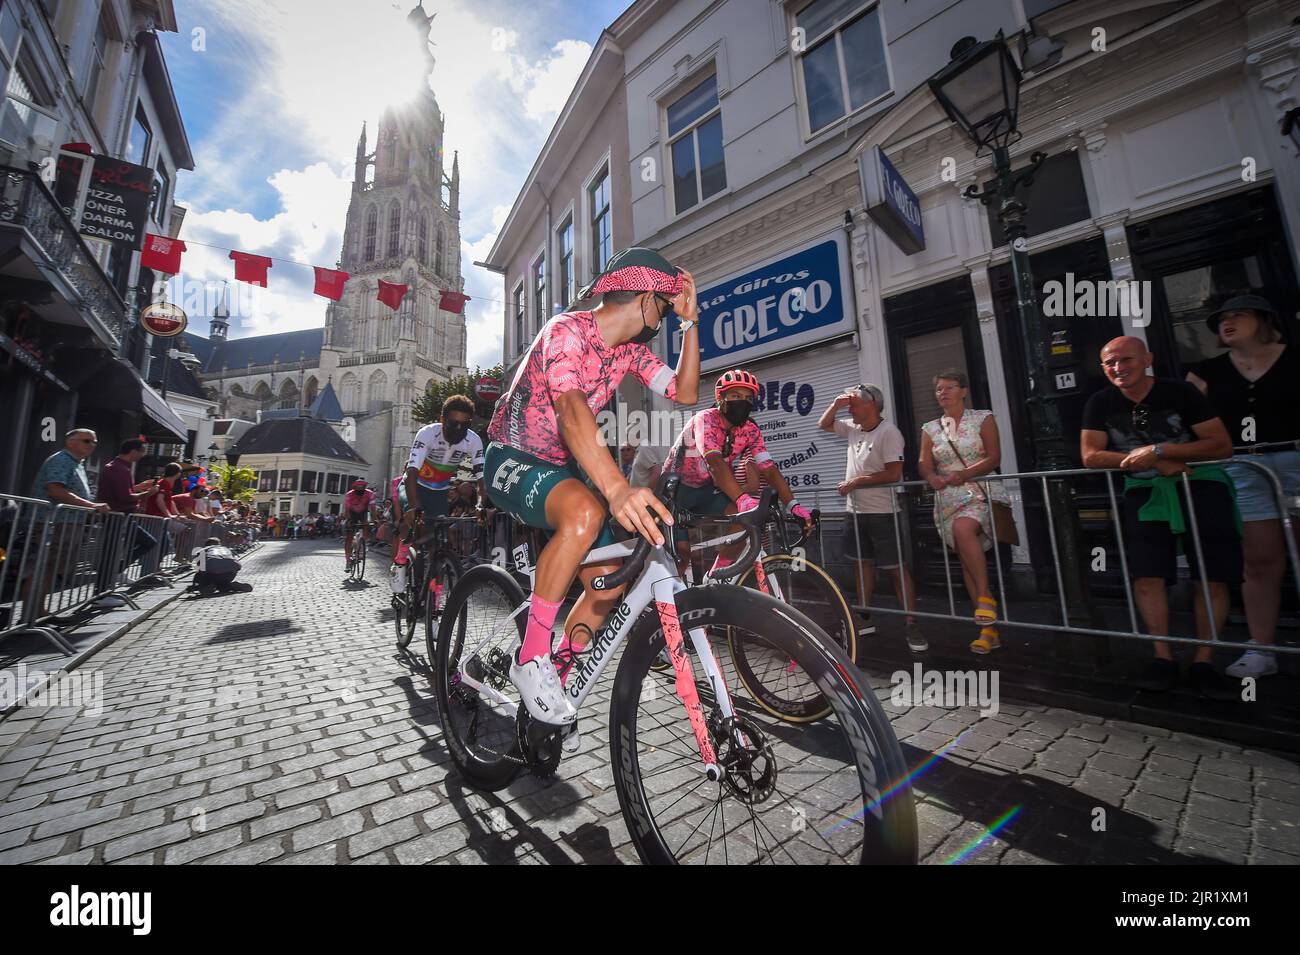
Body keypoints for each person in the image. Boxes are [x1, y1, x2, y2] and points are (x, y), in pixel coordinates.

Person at [484, 246, 700, 735]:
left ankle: (558, 670)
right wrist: (619, 490)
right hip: (513, 457)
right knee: (585, 511)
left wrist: (690, 324)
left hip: (566, 466)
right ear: (646, 299)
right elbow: (573, 411)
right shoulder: (567, 330)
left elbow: (686, 393)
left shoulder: (629, 352)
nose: (663, 318)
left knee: (612, 580)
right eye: (665, 309)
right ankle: (531, 658)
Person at [1081, 336, 1240, 699]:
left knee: (1211, 576)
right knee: (1147, 576)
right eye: (1109, 363)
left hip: (1202, 486)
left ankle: (1204, 660)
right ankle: (1162, 656)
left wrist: (1160, 449)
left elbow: (1220, 444)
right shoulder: (1100, 402)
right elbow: (1090, 455)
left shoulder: (1181, 394)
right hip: (1144, 493)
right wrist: (1157, 460)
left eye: (1126, 359)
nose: (1118, 368)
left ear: (1147, 359)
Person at [1186, 295, 1300, 679]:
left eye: (1238, 315)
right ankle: (1262, 647)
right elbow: (1183, 417)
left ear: (1264, 320)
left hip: (1295, 459)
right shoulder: (1206, 372)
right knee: (1259, 559)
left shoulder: (1293, 358)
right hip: (1243, 464)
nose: (1227, 323)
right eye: (1221, 319)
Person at [665, 368, 814, 577]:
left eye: (747, 398)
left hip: (706, 491)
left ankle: (718, 576)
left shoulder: (750, 430)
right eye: (735, 396)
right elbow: (715, 462)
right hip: (676, 491)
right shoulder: (705, 419)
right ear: (721, 398)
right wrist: (744, 498)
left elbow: (769, 470)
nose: (742, 402)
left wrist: (794, 506)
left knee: (746, 522)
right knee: (681, 556)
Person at [819, 384, 923, 652]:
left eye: (854, 404)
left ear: (871, 405)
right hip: (856, 511)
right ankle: (864, 617)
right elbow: (824, 424)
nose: (850, 409)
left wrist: (856, 482)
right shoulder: (853, 429)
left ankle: (912, 624)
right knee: (861, 563)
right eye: (850, 405)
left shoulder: (889, 433)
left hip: (883, 512)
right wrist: (837, 404)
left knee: (896, 568)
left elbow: (893, 474)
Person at [918, 370, 1010, 654]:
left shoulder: (983, 418)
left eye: (950, 387)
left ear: (964, 391)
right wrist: (931, 477)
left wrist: (965, 474)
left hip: (979, 490)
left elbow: (995, 456)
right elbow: (923, 461)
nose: (943, 392)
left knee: (963, 529)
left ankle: (984, 601)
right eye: (939, 389)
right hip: (947, 497)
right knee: (968, 562)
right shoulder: (930, 427)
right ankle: (988, 630)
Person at [27, 429, 113, 612]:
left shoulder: (77, 464)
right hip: (54, 522)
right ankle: (30, 614)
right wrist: (91, 505)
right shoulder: (62, 460)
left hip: (67, 522)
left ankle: (38, 612)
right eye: (87, 441)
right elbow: (56, 490)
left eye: (94, 442)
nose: (92, 445)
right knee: (45, 566)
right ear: (71, 442)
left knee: (53, 568)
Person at [94, 438, 161, 579]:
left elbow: (122, 491)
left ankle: (116, 572)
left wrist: (139, 487)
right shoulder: (119, 468)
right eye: (142, 451)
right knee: (111, 552)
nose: (143, 455)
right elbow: (124, 496)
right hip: (117, 515)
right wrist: (148, 493)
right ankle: (103, 588)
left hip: (122, 516)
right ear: (133, 451)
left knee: (147, 542)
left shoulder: (119, 467)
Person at [342, 480, 377, 568]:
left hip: (363, 512)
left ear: (365, 488)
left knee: (367, 525)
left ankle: (363, 544)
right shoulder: (349, 494)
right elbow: (347, 509)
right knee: (349, 537)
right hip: (352, 513)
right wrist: (349, 520)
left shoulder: (370, 494)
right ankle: (348, 560)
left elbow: (373, 508)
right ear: (354, 488)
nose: (360, 489)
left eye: (362, 488)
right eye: (358, 488)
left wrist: (374, 519)